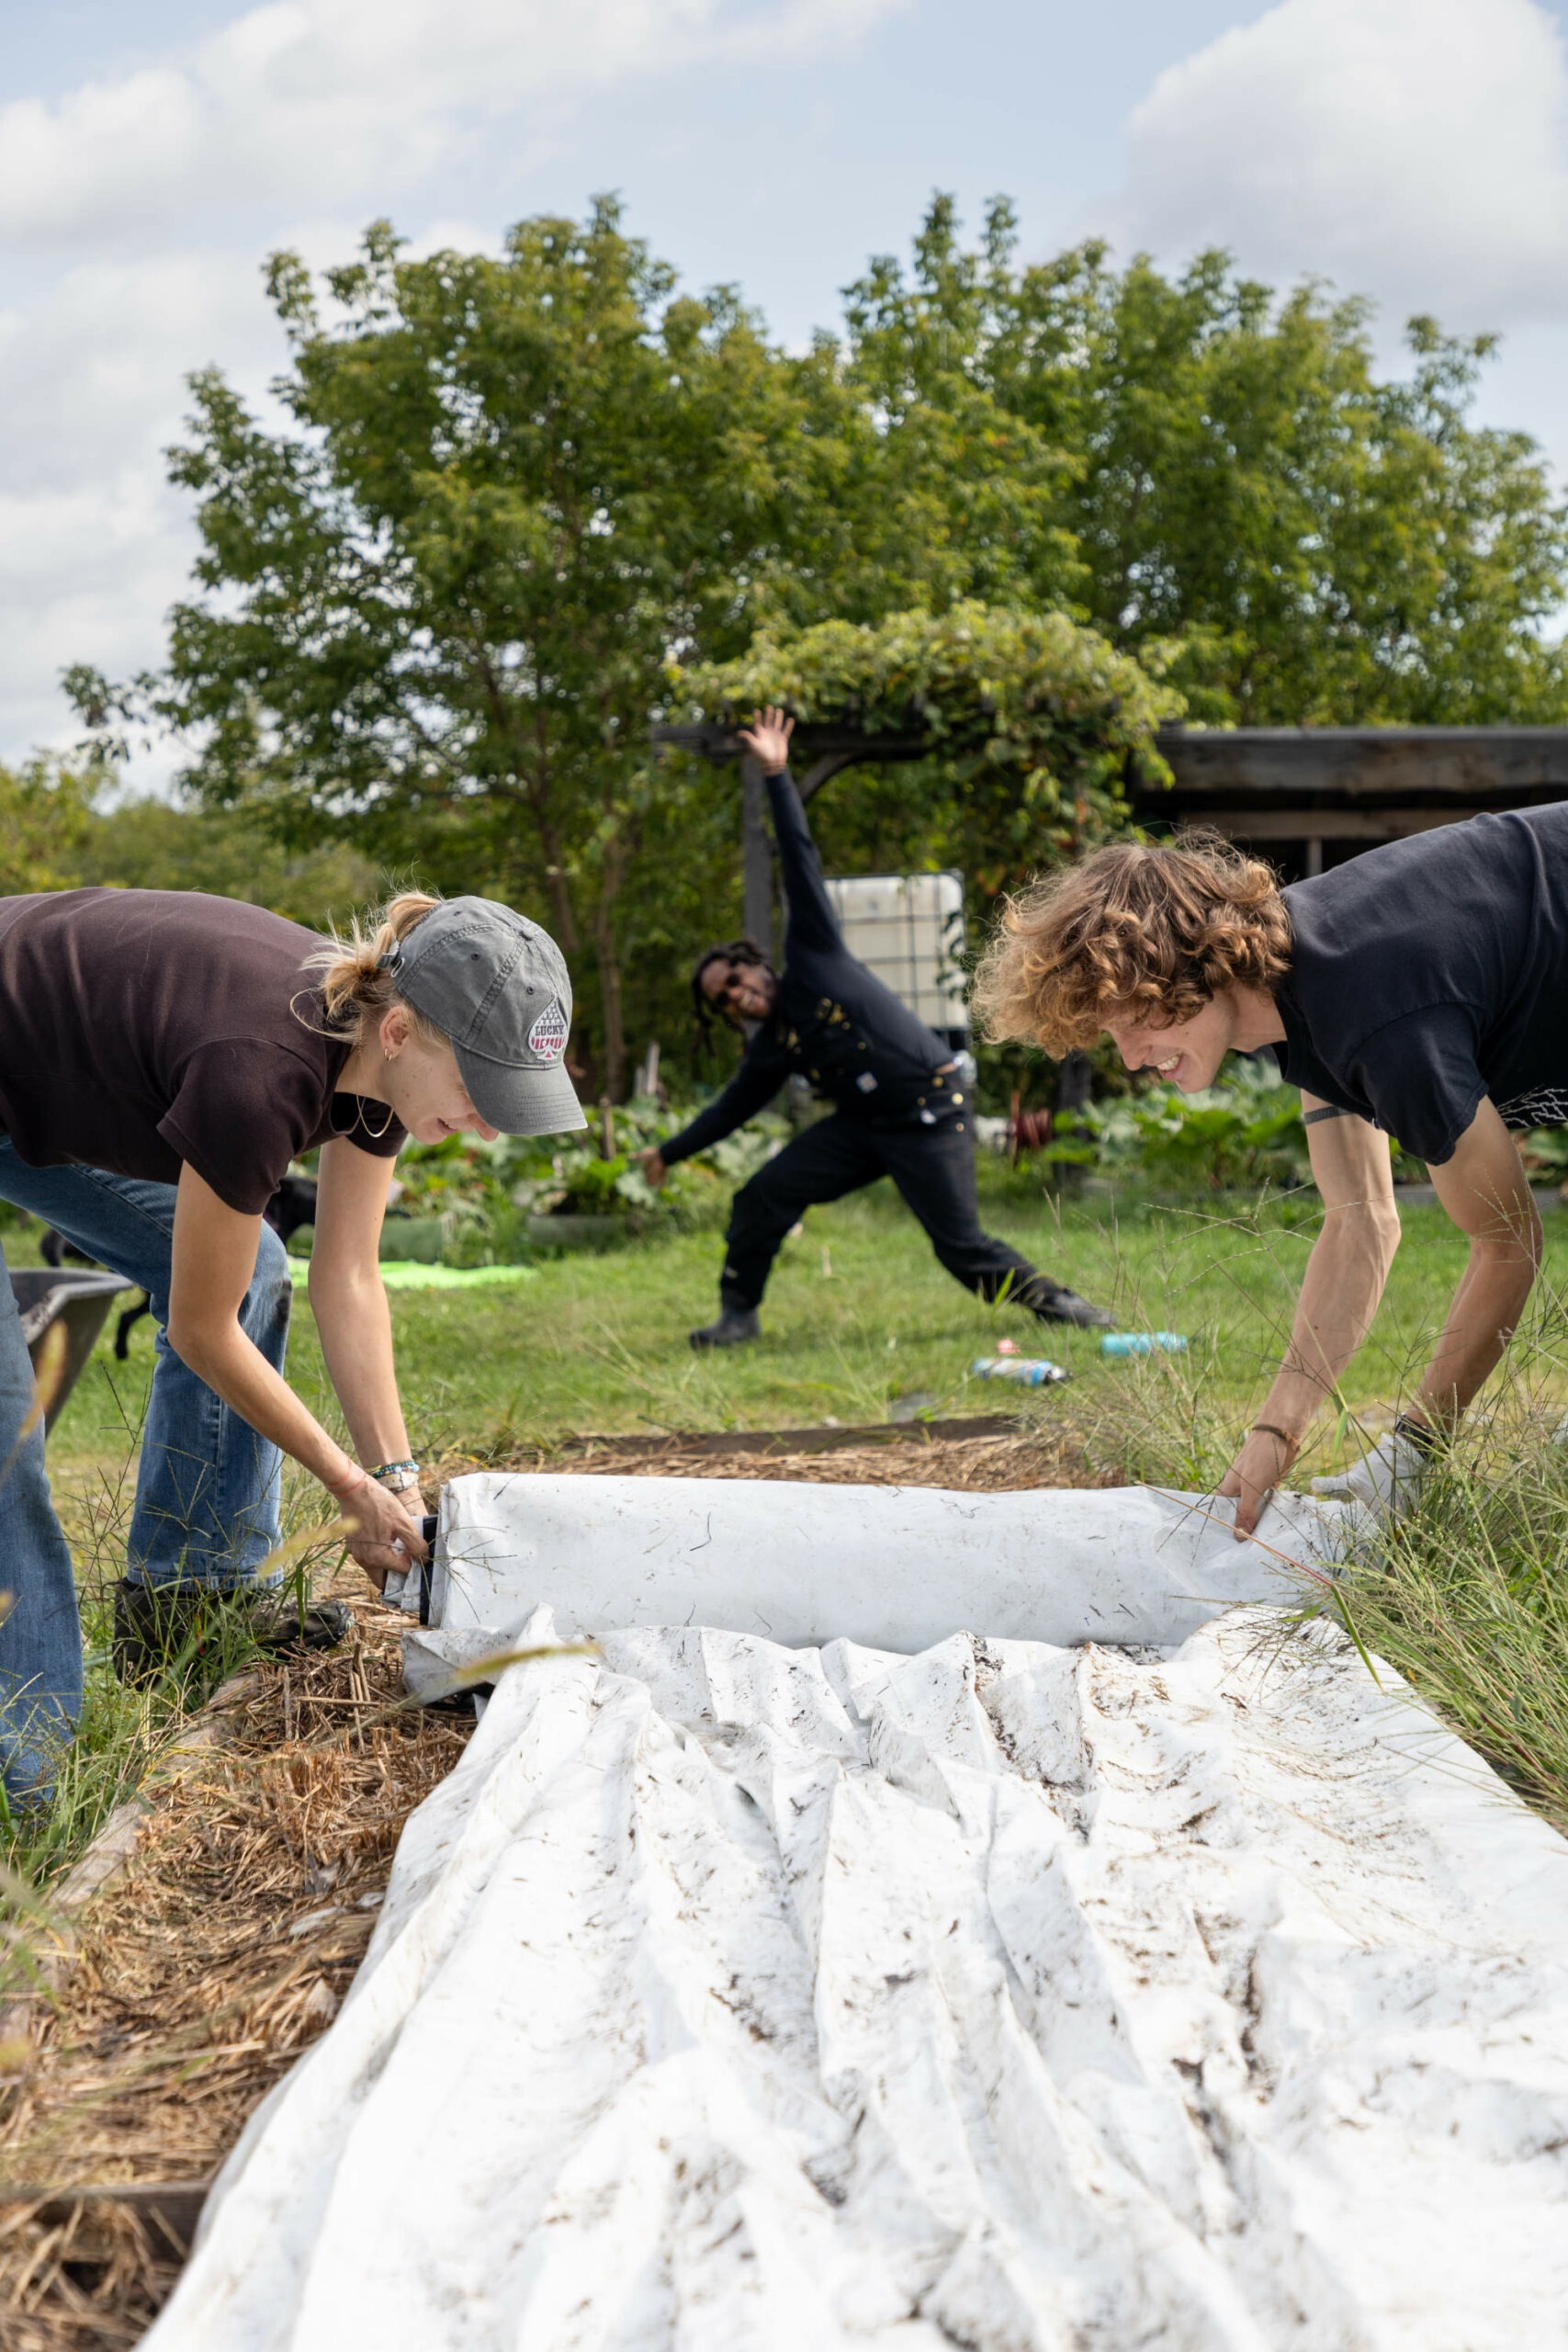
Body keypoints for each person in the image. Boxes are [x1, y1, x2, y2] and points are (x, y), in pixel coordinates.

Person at [0, 886, 584, 1802]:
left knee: (258, 1263)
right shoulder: (260, 1071)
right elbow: (202, 1329)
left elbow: (346, 1275)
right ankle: (24, 1788)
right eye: (480, 1091)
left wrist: (395, 1478)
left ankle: (194, 1602)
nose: (487, 1125)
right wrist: (345, 1485)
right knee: (7, 1424)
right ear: (399, 1034)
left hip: (26, 1087)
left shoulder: (374, 1061)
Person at [972, 812, 1568, 1537]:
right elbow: (1361, 1221)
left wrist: (1410, 1453)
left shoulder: (1373, 1015)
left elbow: (1507, 1241)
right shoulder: (1300, 986)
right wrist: (1273, 1435)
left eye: (1135, 1020)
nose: (1129, 1057)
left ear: (1193, 964)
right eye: (1109, 1033)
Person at [640, 708, 1112, 1348]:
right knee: (761, 1195)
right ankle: (737, 1316)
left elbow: (798, 862)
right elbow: (728, 1111)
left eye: (735, 978)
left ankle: (1060, 1304)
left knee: (959, 1247)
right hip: (864, 1128)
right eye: (723, 998)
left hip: (929, 1107)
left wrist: (778, 773)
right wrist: (665, 1154)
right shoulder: (771, 1048)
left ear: (755, 966)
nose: (736, 995)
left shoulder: (813, 956)